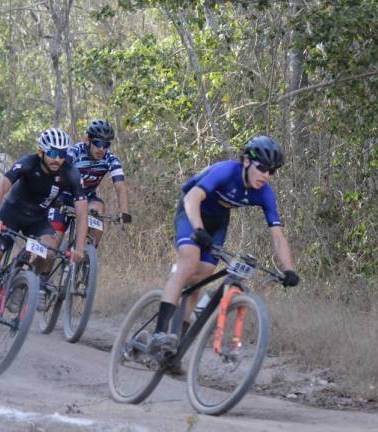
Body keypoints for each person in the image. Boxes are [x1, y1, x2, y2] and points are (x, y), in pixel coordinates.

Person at [140, 136, 300, 351]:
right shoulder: (226, 171)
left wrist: (289, 269)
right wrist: (197, 229)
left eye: (272, 171)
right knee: (189, 261)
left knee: (203, 274)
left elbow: (278, 236)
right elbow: (191, 198)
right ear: (246, 162)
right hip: (191, 213)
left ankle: (176, 349)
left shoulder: (264, 193)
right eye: (262, 167)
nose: (266, 175)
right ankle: (159, 334)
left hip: (217, 222)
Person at [0, 127, 89, 342]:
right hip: (11, 214)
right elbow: (1, 187)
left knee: (50, 251)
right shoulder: (28, 163)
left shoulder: (70, 172)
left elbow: (82, 213)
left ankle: (24, 283)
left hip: (38, 219)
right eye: (52, 153)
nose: (57, 159)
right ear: (41, 152)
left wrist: (79, 248)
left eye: (62, 154)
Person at [48, 119, 132, 247]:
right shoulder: (75, 152)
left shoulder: (111, 159)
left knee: (97, 209)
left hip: (87, 198)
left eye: (106, 145)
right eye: (98, 143)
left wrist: (124, 212)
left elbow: (120, 187)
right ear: (87, 140)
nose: (102, 148)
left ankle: (87, 252)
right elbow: (58, 172)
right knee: (51, 250)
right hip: (64, 198)